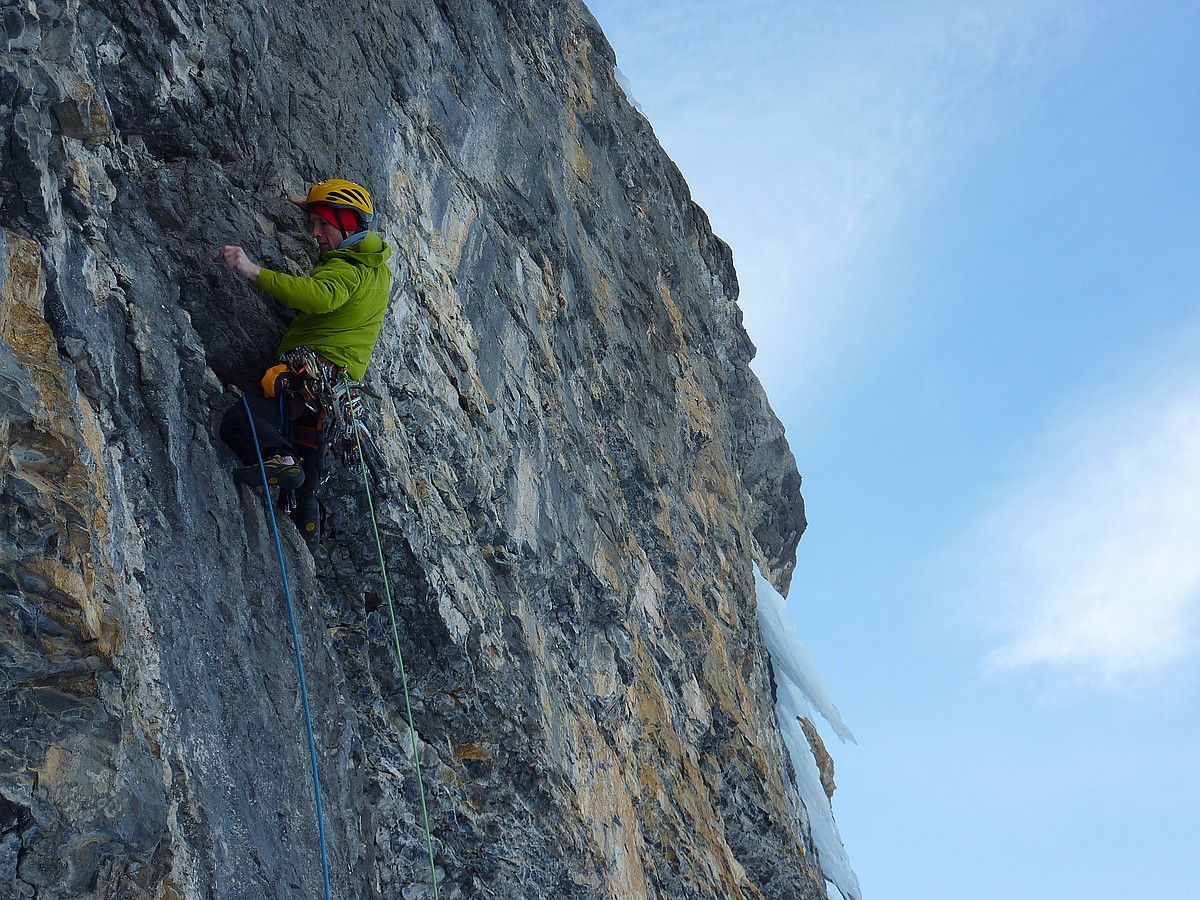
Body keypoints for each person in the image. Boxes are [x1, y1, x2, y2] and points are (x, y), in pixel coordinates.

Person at [218, 178, 393, 543]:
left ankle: (280, 460)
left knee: (241, 421)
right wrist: (314, 203)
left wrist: (253, 271)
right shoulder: (376, 268)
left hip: (307, 371)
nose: (314, 232)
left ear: (346, 223)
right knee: (307, 441)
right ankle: (306, 508)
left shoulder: (346, 267)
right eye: (312, 223)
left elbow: (319, 296)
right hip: (336, 384)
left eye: (322, 224)